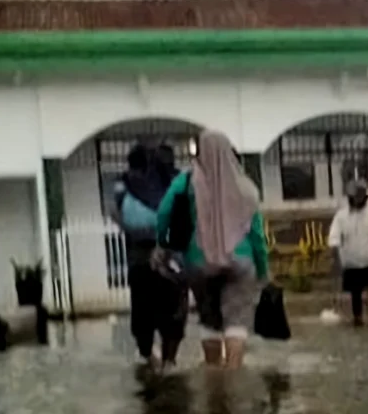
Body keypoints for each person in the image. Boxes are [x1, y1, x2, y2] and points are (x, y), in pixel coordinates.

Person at [157, 130, 269, 368]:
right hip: (241, 261)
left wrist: (163, 244)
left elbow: (164, 213)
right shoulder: (245, 187)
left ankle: (213, 370)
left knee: (209, 320)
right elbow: (257, 234)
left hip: (199, 262)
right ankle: (234, 372)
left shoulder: (186, 181)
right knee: (236, 320)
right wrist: (263, 268)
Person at [113, 142, 187, 367]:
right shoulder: (178, 183)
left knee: (142, 311)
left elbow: (116, 212)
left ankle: (148, 358)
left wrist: (127, 227)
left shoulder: (124, 184)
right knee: (173, 310)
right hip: (171, 258)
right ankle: (170, 361)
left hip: (140, 259)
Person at [328, 180, 368, 328]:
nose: (359, 200)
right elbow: (334, 239)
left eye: (362, 197)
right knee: (355, 296)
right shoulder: (341, 217)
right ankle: (358, 321)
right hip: (351, 263)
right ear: (350, 198)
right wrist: (335, 260)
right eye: (356, 197)